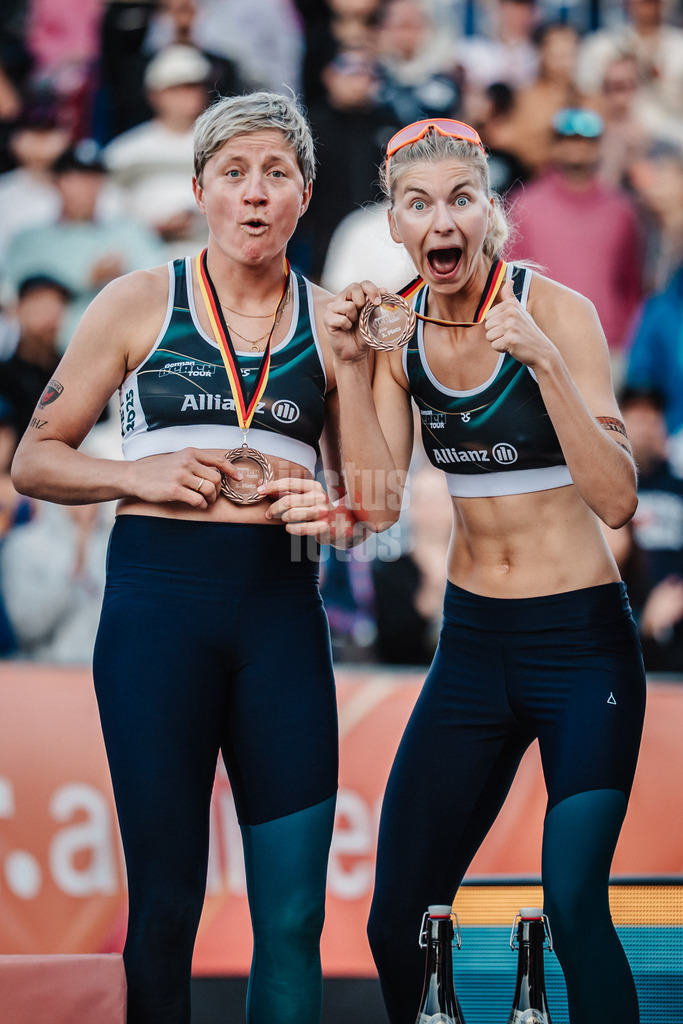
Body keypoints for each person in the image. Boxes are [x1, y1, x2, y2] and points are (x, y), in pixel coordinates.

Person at [11, 90, 365, 1024]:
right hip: (156, 617)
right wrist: (142, 472)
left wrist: (332, 506)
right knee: (164, 909)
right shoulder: (137, 300)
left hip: (282, 621)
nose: (254, 194)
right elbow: (33, 460)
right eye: (235, 174)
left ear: (305, 194)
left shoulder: (335, 325)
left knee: (291, 919)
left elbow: (371, 506)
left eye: (275, 174)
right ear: (201, 189)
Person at [324, 117, 646, 1024]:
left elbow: (616, 499)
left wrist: (541, 361)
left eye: (460, 200)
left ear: (489, 215)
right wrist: (351, 367)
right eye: (418, 204)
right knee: (393, 924)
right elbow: (378, 506)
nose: (442, 220)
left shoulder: (557, 312)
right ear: (394, 225)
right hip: (472, 651)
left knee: (576, 906)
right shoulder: (396, 328)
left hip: (581, 648)